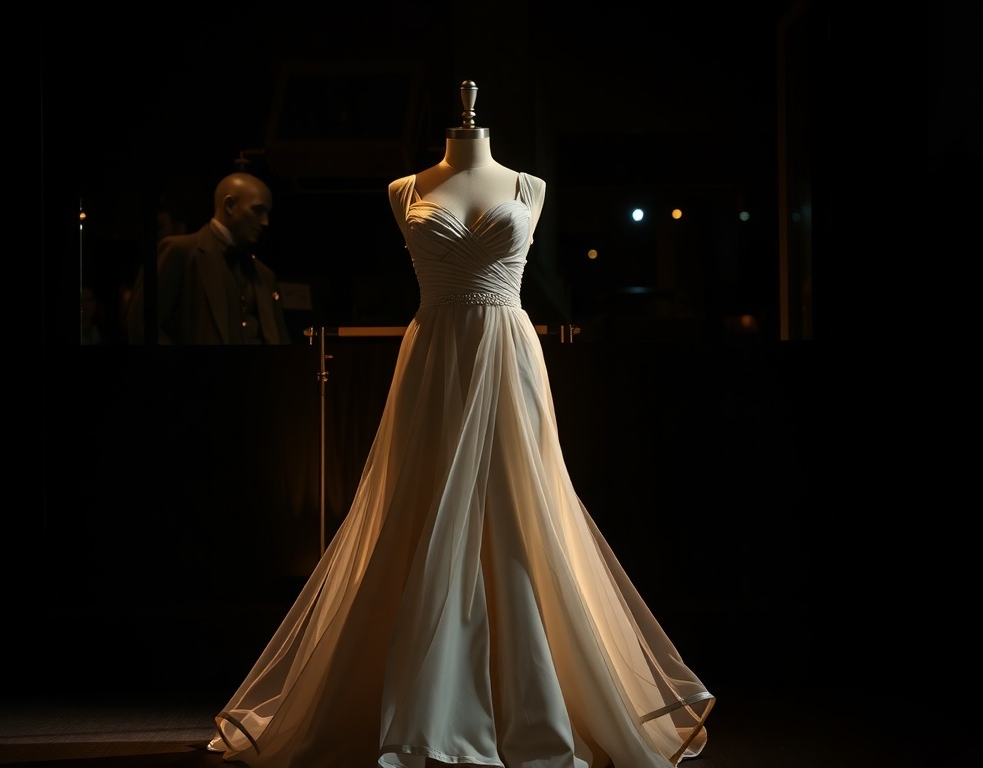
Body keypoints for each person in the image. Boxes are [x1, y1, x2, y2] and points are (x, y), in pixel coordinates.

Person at [207, 82, 713, 768]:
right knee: (420, 502)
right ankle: (418, 694)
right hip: (435, 357)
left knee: (521, 506)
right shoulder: (403, 189)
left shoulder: (528, 186)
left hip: (508, 354)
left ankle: (534, 693)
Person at [126, 172, 291, 344]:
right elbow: (142, 327)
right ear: (230, 205)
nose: (265, 222)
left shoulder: (264, 274)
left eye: (267, 213)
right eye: (257, 210)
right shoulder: (180, 252)